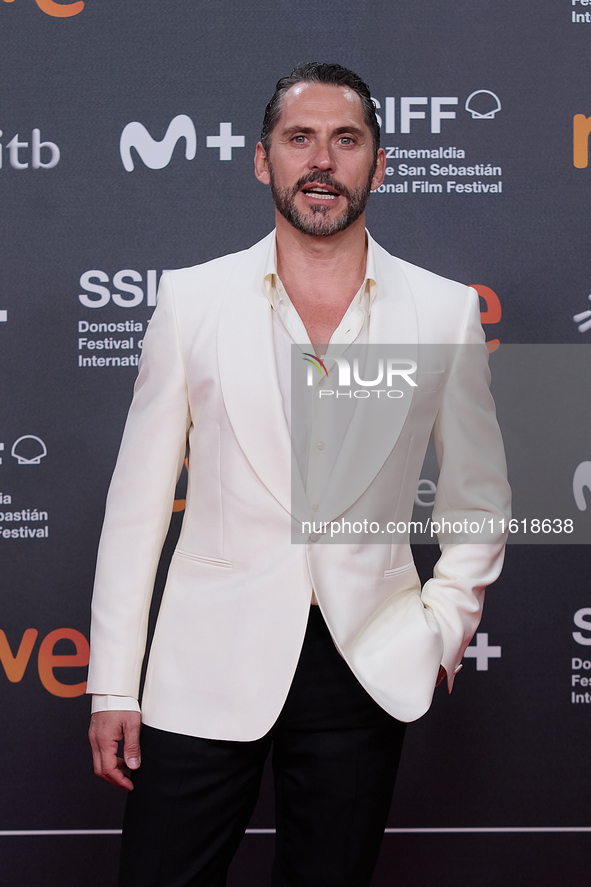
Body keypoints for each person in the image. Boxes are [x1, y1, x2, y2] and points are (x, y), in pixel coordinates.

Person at [87, 62, 511, 886]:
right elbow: (136, 508)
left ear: (378, 165)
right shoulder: (192, 300)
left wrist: (438, 631)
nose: (322, 159)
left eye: (346, 140)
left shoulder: (441, 309)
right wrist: (112, 685)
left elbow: (481, 496)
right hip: (201, 661)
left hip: (364, 659)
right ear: (262, 159)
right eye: (300, 138)